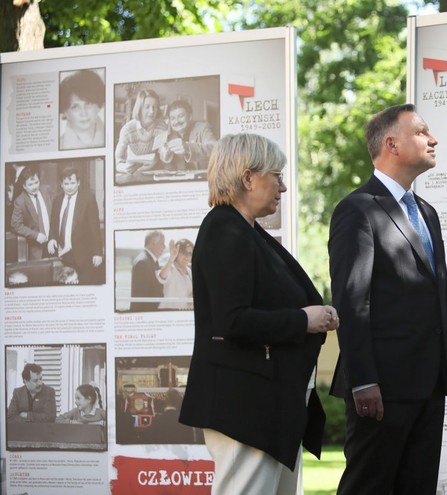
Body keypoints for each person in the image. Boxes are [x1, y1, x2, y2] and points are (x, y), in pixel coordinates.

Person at [179, 133, 338, 495]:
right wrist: (304, 320)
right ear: (248, 178)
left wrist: (317, 313)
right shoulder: (224, 228)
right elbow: (232, 321)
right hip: (244, 406)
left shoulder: (249, 233)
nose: (282, 187)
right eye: (276, 175)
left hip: (268, 403)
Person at [329, 103, 447, 494]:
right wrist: (363, 381)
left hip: (428, 385)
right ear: (392, 144)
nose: (434, 139)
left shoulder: (427, 212)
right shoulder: (356, 210)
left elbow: (440, 293)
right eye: (423, 132)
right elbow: (352, 302)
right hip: (381, 390)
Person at [47, 166, 104, 285]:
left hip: (82, 255)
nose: (69, 186)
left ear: (78, 182)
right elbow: (54, 223)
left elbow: (95, 228)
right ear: (61, 184)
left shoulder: (88, 199)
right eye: (66, 183)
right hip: (62, 254)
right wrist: (52, 238)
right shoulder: (57, 200)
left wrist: (98, 253)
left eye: (72, 183)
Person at [115, 89, 167, 174]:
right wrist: (125, 168)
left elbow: (164, 156)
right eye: (147, 107)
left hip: (155, 171)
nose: (152, 111)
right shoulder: (128, 130)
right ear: (139, 108)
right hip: (133, 172)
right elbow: (118, 162)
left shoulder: (161, 126)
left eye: (155, 107)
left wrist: (166, 153)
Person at [157, 99, 217, 171]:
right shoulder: (169, 136)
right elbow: (168, 165)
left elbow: (215, 149)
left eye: (180, 116)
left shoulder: (203, 128)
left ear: (190, 116)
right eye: (172, 118)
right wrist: (166, 158)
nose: (176, 121)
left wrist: (188, 148)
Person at [10, 167, 51, 260]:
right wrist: (35, 235)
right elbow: (15, 225)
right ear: (24, 186)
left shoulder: (46, 192)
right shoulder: (20, 201)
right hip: (37, 250)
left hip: (52, 244)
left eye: (36, 182)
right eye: (30, 184)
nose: (34, 186)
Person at [59, 69, 105, 150]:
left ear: (98, 105)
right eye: (75, 107)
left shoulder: (114, 138)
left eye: (88, 104)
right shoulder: (58, 146)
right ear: (65, 112)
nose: (83, 113)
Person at [129, 230, 165, 311]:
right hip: (145, 313)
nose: (164, 246)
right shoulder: (143, 262)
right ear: (152, 243)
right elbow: (142, 296)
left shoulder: (150, 260)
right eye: (162, 243)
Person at [155, 238, 194, 310]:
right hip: (169, 312)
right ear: (177, 253)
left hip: (183, 313)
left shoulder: (189, 271)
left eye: (190, 253)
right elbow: (161, 277)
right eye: (184, 253)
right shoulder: (171, 268)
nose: (187, 256)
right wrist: (171, 258)